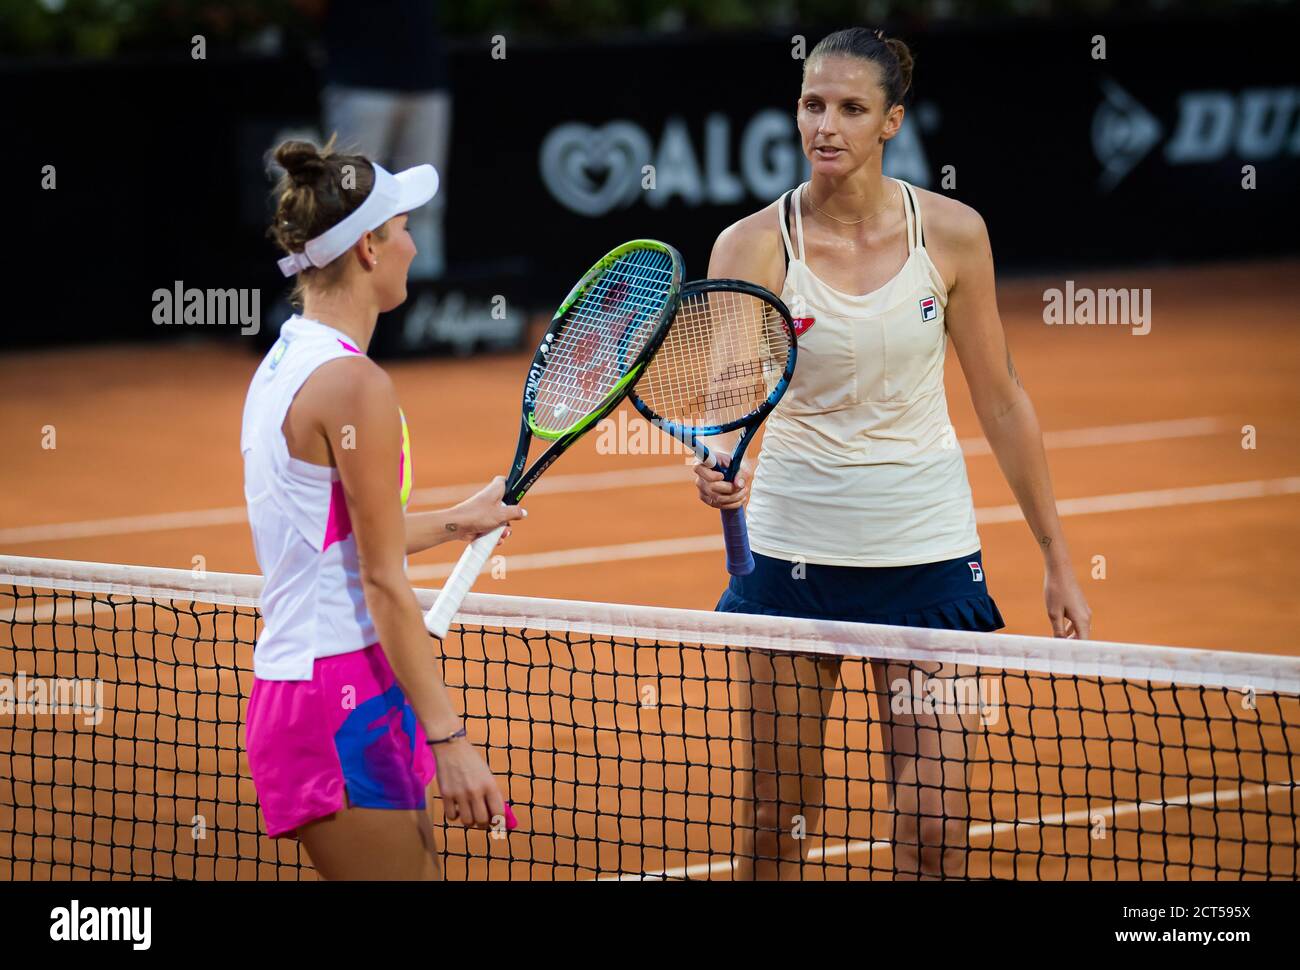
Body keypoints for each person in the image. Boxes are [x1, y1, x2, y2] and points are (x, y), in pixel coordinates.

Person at [694, 28, 1092, 879]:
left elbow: (1002, 396)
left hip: (932, 556)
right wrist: (720, 461)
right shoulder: (752, 246)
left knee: (937, 828)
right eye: (811, 104)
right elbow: (730, 397)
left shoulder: (952, 235)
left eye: (850, 108)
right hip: (791, 558)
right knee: (777, 822)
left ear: (892, 123)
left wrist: (1057, 556)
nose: (825, 125)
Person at [241, 137, 524, 879]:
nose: (411, 242)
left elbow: (340, 541)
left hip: (346, 681)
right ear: (368, 247)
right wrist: (450, 739)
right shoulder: (353, 384)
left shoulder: (285, 360)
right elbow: (380, 579)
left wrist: (459, 521)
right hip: (329, 695)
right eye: (401, 228)